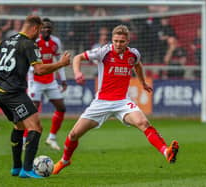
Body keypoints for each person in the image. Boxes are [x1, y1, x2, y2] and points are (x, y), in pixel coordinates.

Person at [52, 25, 179, 175]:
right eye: (116, 41)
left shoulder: (133, 54)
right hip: (101, 102)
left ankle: (166, 152)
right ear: (112, 40)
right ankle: (65, 161)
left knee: (143, 123)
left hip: (122, 102)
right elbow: (78, 57)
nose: (118, 44)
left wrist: (143, 82)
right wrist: (78, 72)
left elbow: (137, 65)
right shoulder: (103, 51)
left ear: (128, 41)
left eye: (122, 41)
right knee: (74, 135)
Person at [0, 15, 70, 178]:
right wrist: (61, 63)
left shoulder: (9, 40)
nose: (39, 35)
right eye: (39, 31)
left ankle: (16, 168)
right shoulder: (29, 44)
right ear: (35, 28)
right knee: (36, 127)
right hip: (13, 93)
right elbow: (39, 70)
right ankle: (27, 168)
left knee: (19, 127)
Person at [26, 18, 67, 150]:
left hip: (50, 80)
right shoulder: (34, 41)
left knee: (61, 107)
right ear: (39, 28)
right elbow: (27, 60)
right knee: (31, 110)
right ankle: (24, 139)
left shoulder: (56, 42)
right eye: (44, 27)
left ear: (52, 29)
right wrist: (32, 72)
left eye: (49, 27)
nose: (46, 29)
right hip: (36, 80)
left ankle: (52, 138)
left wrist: (63, 79)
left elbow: (60, 61)